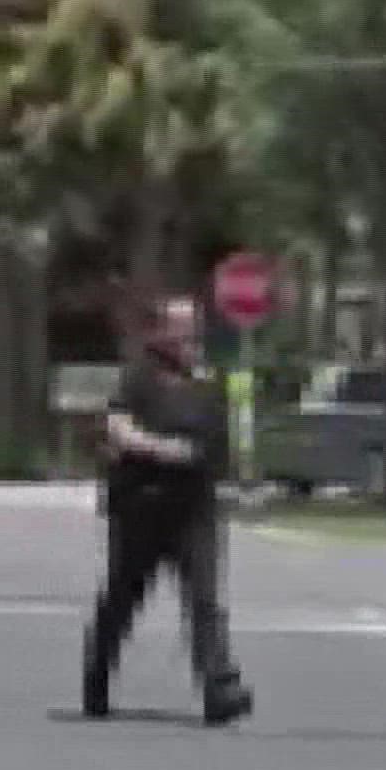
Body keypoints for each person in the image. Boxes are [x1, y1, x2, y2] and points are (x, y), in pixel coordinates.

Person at [83, 297, 253, 726]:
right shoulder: (139, 377)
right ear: (158, 331)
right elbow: (117, 427)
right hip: (142, 505)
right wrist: (160, 449)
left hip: (194, 508)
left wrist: (231, 476)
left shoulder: (208, 379)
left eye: (190, 327)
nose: (185, 336)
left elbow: (219, 443)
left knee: (204, 601)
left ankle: (219, 689)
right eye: (176, 327)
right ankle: (97, 677)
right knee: (123, 596)